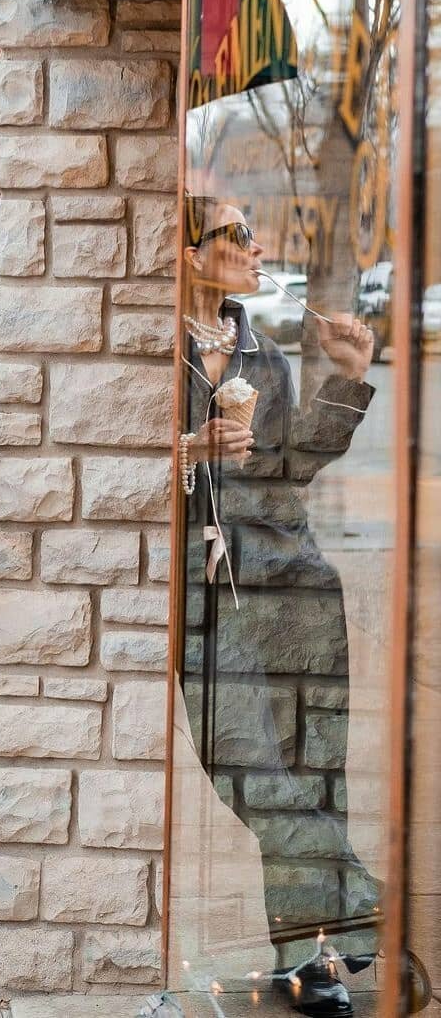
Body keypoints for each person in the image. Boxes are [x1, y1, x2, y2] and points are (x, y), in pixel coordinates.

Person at [178, 195, 394, 1017]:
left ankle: (306, 969)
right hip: (209, 593)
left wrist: (344, 379)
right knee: (252, 771)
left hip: (295, 586)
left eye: (249, 231)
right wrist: (189, 449)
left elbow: (289, 468)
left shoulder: (263, 354)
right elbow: (127, 461)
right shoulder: (158, 351)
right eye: (236, 232)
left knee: (313, 774)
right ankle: (360, 898)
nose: (253, 242)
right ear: (190, 252)